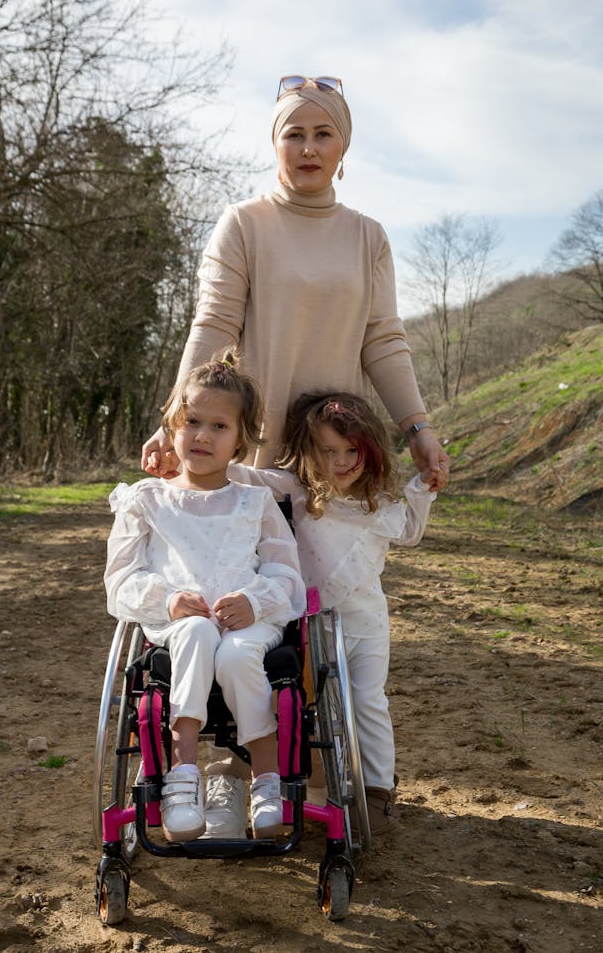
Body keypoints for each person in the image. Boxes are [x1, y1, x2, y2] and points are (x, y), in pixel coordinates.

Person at [141, 73, 450, 835]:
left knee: (333, 628)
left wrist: (416, 428)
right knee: (249, 623)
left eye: (322, 133)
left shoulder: (367, 235)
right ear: (273, 142)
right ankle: (250, 777)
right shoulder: (243, 223)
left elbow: (384, 340)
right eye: (293, 132)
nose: (307, 147)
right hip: (250, 466)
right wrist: (172, 420)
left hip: (329, 470)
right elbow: (212, 325)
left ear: (343, 146)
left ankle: (358, 785)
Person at [104, 352, 306, 842]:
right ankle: (182, 777)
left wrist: (255, 602)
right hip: (177, 626)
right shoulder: (146, 500)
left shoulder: (255, 502)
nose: (202, 436)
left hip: (249, 623)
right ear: (173, 424)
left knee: (238, 654)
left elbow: (287, 574)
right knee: (195, 631)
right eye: (192, 421)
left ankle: (266, 781)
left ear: (241, 439)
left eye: (219, 426)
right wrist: (168, 599)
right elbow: (121, 580)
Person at [229, 391, 442, 834]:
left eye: (352, 452)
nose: (343, 462)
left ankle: (379, 790)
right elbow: (243, 476)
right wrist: (184, 460)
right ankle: (312, 788)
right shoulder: (294, 490)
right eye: (330, 451)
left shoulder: (377, 504)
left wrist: (422, 486)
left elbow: (410, 532)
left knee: (367, 701)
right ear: (310, 452)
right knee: (307, 706)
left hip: (366, 622)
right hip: (309, 625)